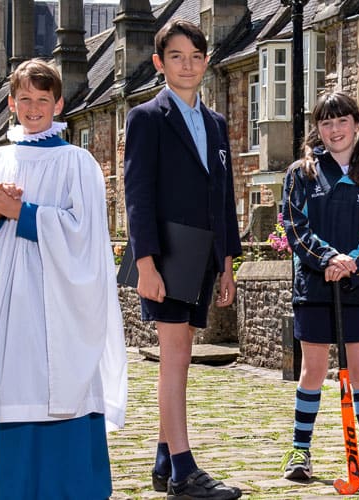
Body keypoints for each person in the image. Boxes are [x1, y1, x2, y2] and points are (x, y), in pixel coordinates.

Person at [0, 59, 128, 499]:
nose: (33, 108)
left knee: (64, 384)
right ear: (12, 105)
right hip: (10, 305)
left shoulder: (79, 162)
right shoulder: (0, 157)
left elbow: (87, 234)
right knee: (11, 386)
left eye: (42, 99)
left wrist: (27, 213)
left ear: (58, 103)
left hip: (60, 300)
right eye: (24, 100)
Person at [122, 20, 242, 500]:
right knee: (176, 360)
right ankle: (183, 471)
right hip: (167, 253)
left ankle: (162, 457)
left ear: (206, 61)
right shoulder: (146, 117)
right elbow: (137, 196)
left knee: (179, 358)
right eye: (176, 56)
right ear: (159, 63)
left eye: (195, 55)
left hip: (204, 255)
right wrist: (146, 263)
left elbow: (223, 193)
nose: (187, 64)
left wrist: (228, 262)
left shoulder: (215, 123)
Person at [279, 91, 359, 491]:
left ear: (356, 124)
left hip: (358, 290)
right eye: (326, 123)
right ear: (318, 128)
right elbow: (296, 228)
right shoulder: (301, 173)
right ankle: (300, 450)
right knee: (312, 371)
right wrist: (329, 258)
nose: (334, 130)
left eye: (342, 120)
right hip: (313, 288)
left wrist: (352, 266)